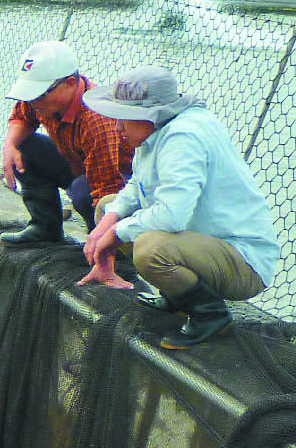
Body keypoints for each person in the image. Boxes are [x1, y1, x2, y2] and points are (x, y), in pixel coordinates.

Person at [80, 66, 281, 348]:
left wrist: (114, 234)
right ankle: (177, 297)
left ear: (151, 115)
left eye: (125, 118)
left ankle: (210, 314)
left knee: (150, 249)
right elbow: (137, 184)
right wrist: (107, 223)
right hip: (201, 243)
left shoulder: (183, 137)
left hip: (243, 261)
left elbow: (172, 216)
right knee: (107, 207)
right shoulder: (154, 132)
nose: (118, 127)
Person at [0, 40, 133, 247]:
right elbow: (22, 116)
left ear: (70, 83)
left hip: (118, 180)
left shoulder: (96, 119)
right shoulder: (42, 101)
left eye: (38, 95)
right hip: (77, 164)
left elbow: (107, 188)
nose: (33, 102)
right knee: (25, 149)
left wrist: (102, 240)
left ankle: (105, 246)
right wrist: (10, 146)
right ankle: (44, 229)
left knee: (83, 191)